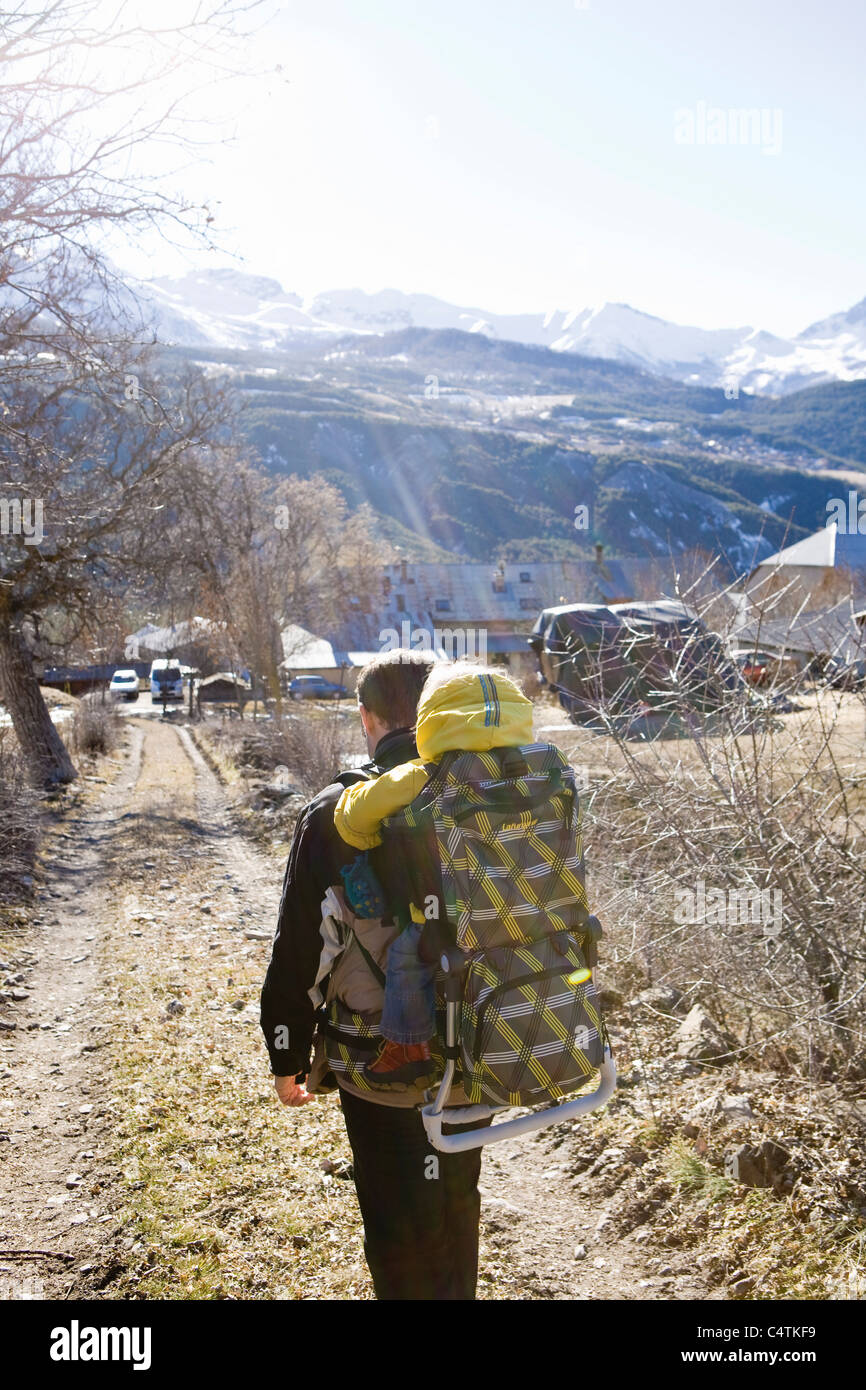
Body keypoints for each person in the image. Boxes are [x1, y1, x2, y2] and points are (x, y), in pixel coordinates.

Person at [260, 649, 490, 1300]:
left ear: (367, 719)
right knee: (455, 1204)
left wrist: (287, 1049)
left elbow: (299, 948)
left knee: (397, 1226)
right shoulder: (479, 796)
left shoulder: (337, 812)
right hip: (475, 1052)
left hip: (375, 1065)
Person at [333, 662, 533, 1088]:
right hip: (528, 907)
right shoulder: (537, 772)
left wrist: (366, 839)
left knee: (410, 950)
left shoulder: (427, 774)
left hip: (455, 918)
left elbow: (355, 812)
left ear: (433, 721)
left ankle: (408, 1045)